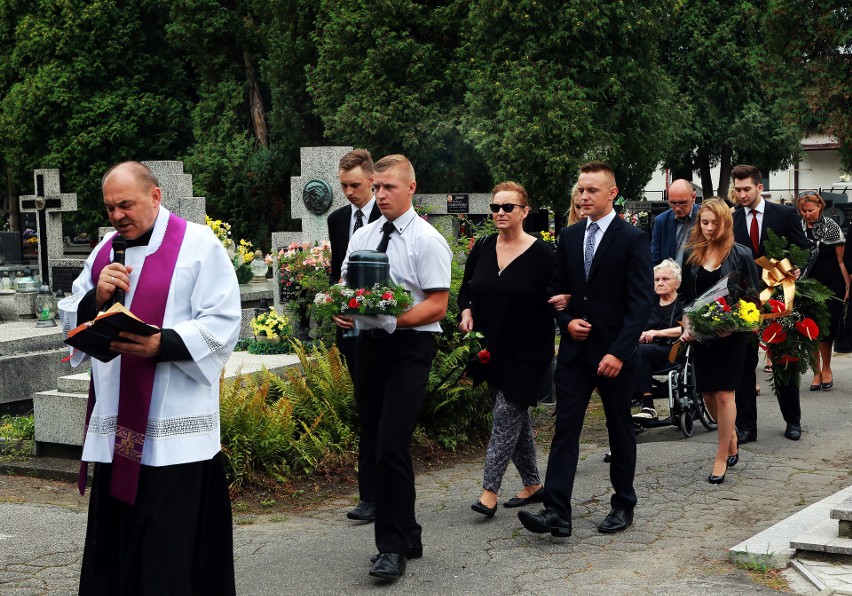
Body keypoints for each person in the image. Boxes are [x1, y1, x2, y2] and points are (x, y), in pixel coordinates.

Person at [58, 161, 241, 594]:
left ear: (155, 197)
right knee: (116, 543)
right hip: (118, 418)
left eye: (126, 205)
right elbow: (71, 313)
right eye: (110, 208)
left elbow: (223, 319)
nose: (118, 216)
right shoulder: (105, 250)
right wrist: (96, 297)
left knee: (170, 550)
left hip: (174, 431)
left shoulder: (197, 245)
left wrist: (164, 345)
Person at [518, 161, 653, 538]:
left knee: (619, 429)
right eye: (580, 190)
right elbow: (557, 292)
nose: (583, 196)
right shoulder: (571, 236)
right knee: (566, 430)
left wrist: (619, 352)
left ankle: (623, 503)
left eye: (591, 190)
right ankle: (556, 513)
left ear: (612, 193)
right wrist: (568, 322)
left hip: (615, 354)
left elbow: (641, 303)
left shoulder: (632, 239)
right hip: (576, 354)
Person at [335, 154, 451, 582]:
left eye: (389, 188)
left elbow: (437, 305)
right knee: (375, 442)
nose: (380, 194)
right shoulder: (362, 235)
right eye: (377, 187)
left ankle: (392, 547)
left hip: (409, 349)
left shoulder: (427, 239)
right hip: (368, 349)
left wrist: (392, 320)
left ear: (411, 189)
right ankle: (410, 533)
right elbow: (348, 287)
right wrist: (341, 309)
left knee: (390, 446)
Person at [457, 181, 554, 518]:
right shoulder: (482, 247)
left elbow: (560, 297)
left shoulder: (543, 254)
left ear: (524, 212)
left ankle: (489, 492)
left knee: (504, 416)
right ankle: (533, 484)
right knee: (516, 420)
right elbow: (465, 291)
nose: (499, 212)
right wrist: (466, 311)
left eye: (507, 207)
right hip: (491, 349)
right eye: (495, 207)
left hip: (529, 351)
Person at [680, 199, 760, 484]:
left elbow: (753, 300)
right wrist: (686, 324)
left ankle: (720, 455)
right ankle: (732, 435)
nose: (710, 228)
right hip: (702, 336)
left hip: (732, 337)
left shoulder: (741, 254)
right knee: (708, 395)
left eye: (715, 223)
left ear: (726, 222)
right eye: (704, 222)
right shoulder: (691, 254)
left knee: (726, 394)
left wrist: (735, 324)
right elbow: (684, 299)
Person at [731, 164, 810, 443]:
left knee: (784, 360)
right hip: (745, 303)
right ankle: (747, 427)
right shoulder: (732, 219)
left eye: (746, 189)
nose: (741, 195)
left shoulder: (784, 214)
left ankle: (793, 421)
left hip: (779, 300)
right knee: (743, 365)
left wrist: (796, 267)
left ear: (759, 187)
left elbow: (803, 248)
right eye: (737, 190)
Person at [326, 148, 382, 523]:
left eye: (355, 185)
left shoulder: (389, 214)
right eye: (344, 185)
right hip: (350, 331)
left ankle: (382, 494)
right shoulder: (338, 219)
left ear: (372, 182)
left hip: (385, 329)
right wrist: (337, 305)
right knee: (367, 413)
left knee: (381, 416)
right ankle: (369, 497)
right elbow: (337, 272)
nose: (348, 192)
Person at [798, 191, 850, 390]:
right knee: (810, 329)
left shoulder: (832, 228)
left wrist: (848, 287)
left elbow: (841, 261)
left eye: (810, 210)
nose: (807, 214)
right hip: (807, 284)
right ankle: (816, 371)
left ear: (820, 207)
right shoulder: (798, 229)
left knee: (826, 330)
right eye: (803, 211)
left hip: (832, 284)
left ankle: (826, 368)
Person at [631, 259, 684, 421]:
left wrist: (657, 333)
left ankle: (648, 405)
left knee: (642, 352)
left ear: (677, 283)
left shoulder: (683, 303)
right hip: (647, 351)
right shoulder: (648, 303)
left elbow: (687, 328)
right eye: (657, 279)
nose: (660, 283)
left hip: (674, 350)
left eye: (665, 279)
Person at [650, 179, 700, 266]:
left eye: (682, 203)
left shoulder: (705, 219)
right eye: (672, 203)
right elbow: (655, 259)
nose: (677, 208)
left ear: (693, 197)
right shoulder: (661, 221)